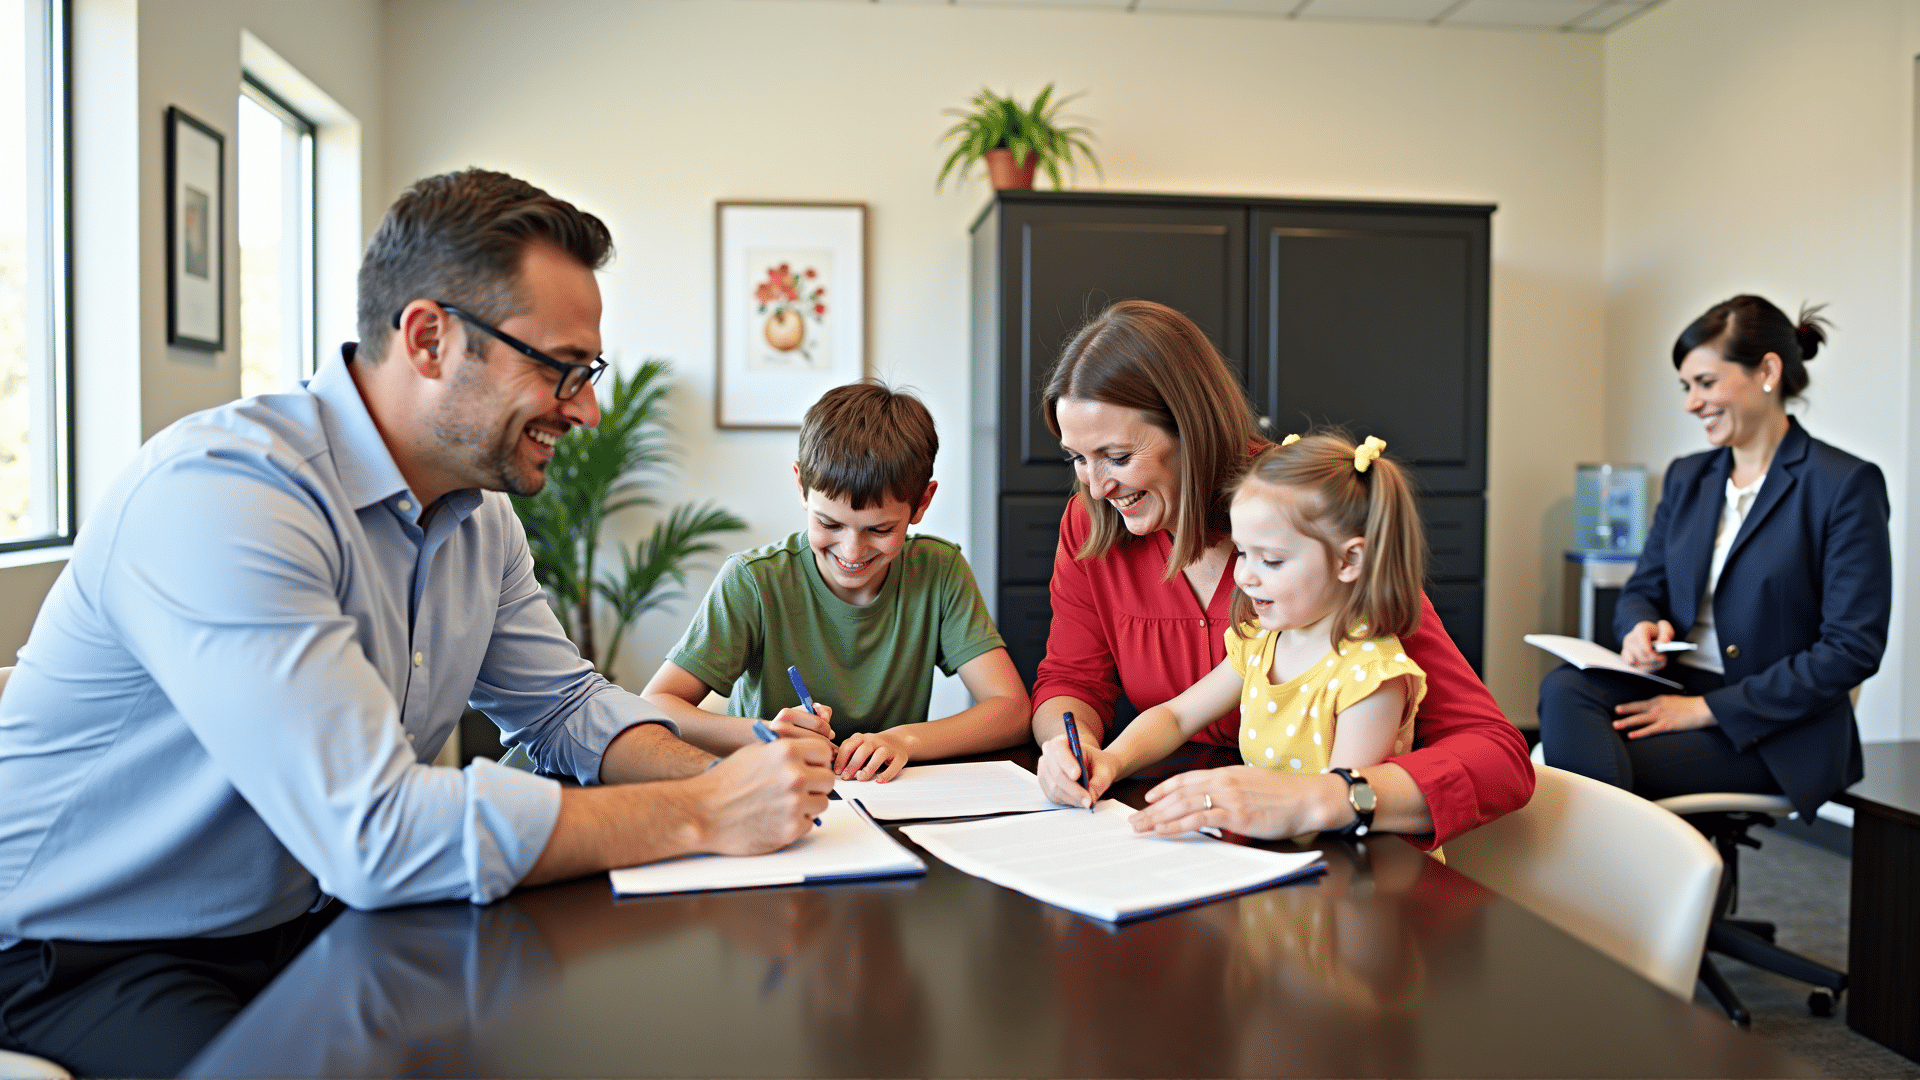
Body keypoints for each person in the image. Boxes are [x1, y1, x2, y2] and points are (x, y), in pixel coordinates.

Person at [0, 170, 834, 986]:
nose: (586, 410)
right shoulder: (225, 495)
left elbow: (565, 710)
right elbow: (376, 830)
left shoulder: (480, 517)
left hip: (311, 922)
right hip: (83, 952)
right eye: (562, 367)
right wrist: (703, 811)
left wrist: (729, 784)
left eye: (590, 373)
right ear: (430, 339)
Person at [1028, 299, 1532, 845]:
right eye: (1076, 458)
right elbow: (1072, 682)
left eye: (1118, 457)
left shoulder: (1307, 509)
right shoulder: (1091, 520)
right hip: (1202, 831)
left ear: (1192, 430)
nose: (1096, 487)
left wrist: (1323, 798)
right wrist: (1072, 752)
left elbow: (1497, 757)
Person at [1537, 295, 1889, 820]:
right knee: (1564, 688)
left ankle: (1608, 867)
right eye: (1686, 387)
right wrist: (1638, 628)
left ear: (1767, 372)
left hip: (1777, 727)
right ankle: (1621, 865)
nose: (1691, 403)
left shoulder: (1842, 484)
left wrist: (1706, 710)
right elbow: (1643, 589)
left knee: (1594, 771)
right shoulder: (1689, 476)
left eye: (1705, 382)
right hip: (1678, 683)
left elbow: (1852, 648)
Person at [643, 382, 1029, 782]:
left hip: (886, 795)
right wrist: (767, 734)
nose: (852, 551)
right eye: (829, 524)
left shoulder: (938, 570)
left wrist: (904, 740)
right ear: (801, 487)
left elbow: (1013, 711)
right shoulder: (754, 581)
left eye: (880, 529)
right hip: (772, 790)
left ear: (922, 503)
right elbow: (656, 704)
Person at [1049, 433, 1428, 826]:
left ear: (1349, 561)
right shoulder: (1261, 643)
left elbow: (1336, 808)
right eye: (1243, 553)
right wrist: (1111, 760)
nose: (1244, 576)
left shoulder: (1371, 676)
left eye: (1272, 560)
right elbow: (1177, 717)